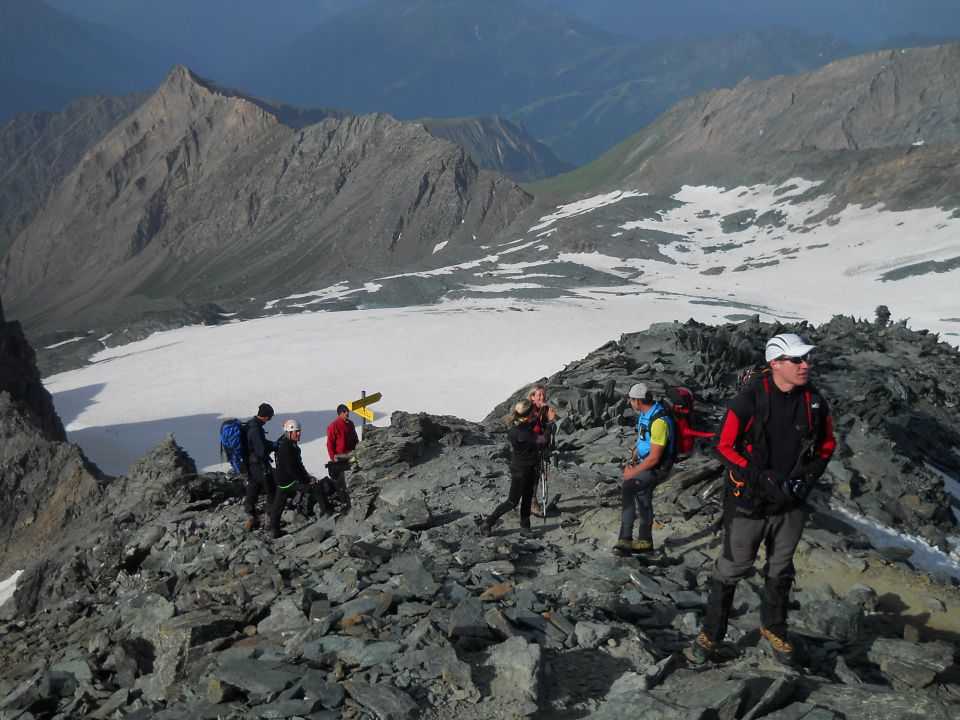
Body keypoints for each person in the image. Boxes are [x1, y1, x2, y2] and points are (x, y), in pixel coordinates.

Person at [686, 333, 836, 666]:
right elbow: (721, 446)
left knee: (781, 569)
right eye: (796, 360)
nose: (805, 365)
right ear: (775, 363)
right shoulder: (748, 401)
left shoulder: (814, 402)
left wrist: (808, 478)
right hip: (748, 503)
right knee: (732, 568)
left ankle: (774, 628)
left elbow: (826, 445)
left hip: (791, 504)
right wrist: (758, 475)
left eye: (805, 359)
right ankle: (712, 634)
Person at [615, 383, 673, 554]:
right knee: (643, 495)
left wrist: (633, 472)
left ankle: (625, 539)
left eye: (631, 399)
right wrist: (633, 459)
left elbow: (654, 458)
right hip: (646, 462)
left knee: (629, 487)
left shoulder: (659, 421)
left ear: (637, 401)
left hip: (659, 467)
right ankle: (645, 542)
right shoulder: (646, 414)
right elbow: (643, 441)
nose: (630, 403)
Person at [481, 399, 547, 538]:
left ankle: (525, 528)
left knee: (527, 498)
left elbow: (531, 423)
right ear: (529, 413)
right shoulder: (520, 432)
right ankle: (488, 522)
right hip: (520, 471)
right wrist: (550, 426)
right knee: (512, 502)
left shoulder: (519, 425)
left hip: (528, 468)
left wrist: (539, 416)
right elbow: (542, 440)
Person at [268, 419, 320, 539]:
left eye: (299, 431)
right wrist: (307, 481)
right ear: (289, 433)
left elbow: (297, 466)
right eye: (296, 432)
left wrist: (306, 477)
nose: (298, 434)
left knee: (278, 504)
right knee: (315, 488)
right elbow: (293, 470)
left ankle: (274, 529)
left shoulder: (289, 445)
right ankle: (327, 511)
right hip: (289, 481)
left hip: (282, 481)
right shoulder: (287, 447)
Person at [244, 403, 277, 531]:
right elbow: (261, 449)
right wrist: (273, 446)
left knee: (252, 491)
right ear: (265, 416)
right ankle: (269, 522)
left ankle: (251, 518)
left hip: (251, 466)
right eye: (269, 416)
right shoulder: (256, 429)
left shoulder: (251, 425)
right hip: (259, 467)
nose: (270, 419)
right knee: (271, 491)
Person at [526, 385, 555, 517]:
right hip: (530, 448)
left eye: (544, 395)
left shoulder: (541, 409)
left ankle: (531, 501)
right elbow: (535, 429)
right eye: (539, 395)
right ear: (532, 397)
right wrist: (548, 419)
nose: (542, 397)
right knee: (532, 475)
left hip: (538, 447)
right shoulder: (529, 410)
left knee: (536, 474)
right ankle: (530, 502)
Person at [326, 403, 359, 507]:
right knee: (341, 481)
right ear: (339, 414)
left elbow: (355, 439)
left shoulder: (351, 424)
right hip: (340, 458)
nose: (347, 413)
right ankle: (344, 501)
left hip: (352, 455)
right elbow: (330, 444)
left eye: (347, 411)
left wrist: (358, 450)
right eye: (344, 412)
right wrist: (333, 458)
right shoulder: (333, 426)